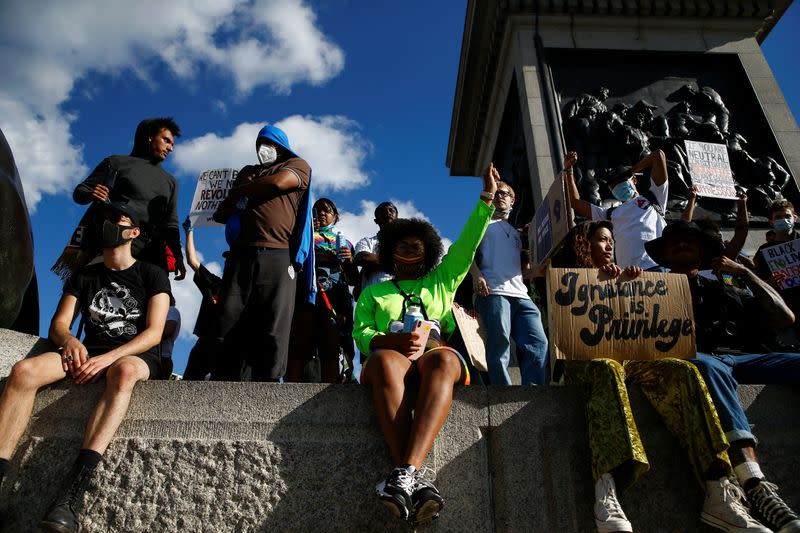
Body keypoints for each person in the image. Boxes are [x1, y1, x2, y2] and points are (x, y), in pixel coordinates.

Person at [549, 220, 766, 533]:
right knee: (607, 369)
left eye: (611, 240)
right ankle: (606, 487)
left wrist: (632, 287)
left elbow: (641, 331)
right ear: (582, 244)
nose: (609, 245)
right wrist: (596, 283)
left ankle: (718, 489)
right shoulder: (563, 277)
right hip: (586, 362)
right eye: (600, 240)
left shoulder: (630, 275)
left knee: (684, 371)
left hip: (634, 359)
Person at [0, 202, 172, 532]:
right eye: (104, 219)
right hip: (87, 351)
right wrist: (69, 342)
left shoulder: (152, 274)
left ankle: (72, 494)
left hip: (134, 355)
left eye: (116, 220)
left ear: (133, 232)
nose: (107, 224)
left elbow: (154, 332)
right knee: (24, 372)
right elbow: (60, 324)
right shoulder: (86, 275)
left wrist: (109, 359)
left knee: (123, 372)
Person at [353, 163, 497, 525]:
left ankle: (403, 475)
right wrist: (388, 340)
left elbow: (466, 246)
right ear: (389, 251)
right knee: (385, 362)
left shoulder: (442, 281)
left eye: (417, 246)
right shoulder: (374, 292)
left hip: (431, 352)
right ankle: (412, 479)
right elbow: (361, 333)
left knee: (446, 362)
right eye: (402, 245)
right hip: (391, 355)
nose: (409, 250)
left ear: (429, 251)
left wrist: (486, 200)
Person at [644, 221, 800, 532]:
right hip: (705, 362)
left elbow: (785, 317)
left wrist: (747, 274)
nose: (682, 244)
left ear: (702, 251)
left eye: (690, 240)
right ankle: (754, 481)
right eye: (674, 241)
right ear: (664, 254)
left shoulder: (727, 285)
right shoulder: (650, 293)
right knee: (710, 367)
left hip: (748, 359)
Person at [211, 125, 312, 381]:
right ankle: (225, 378)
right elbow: (221, 213)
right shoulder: (248, 171)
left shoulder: (297, 164)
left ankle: (268, 381)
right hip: (240, 255)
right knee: (228, 318)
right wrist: (243, 189)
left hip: (278, 255)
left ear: (281, 146)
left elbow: (279, 183)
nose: (263, 149)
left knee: (274, 322)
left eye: (270, 143)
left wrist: (244, 189)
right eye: (260, 144)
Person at [69, 117, 185, 280]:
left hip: (151, 254)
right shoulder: (116, 162)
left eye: (172, 144)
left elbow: (171, 224)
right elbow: (80, 192)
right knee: (92, 295)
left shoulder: (171, 182)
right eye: (166, 140)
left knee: (155, 301)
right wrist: (91, 193)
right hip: (111, 245)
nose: (170, 148)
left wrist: (178, 256)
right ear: (150, 136)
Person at [471, 180, 548, 385]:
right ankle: (501, 392)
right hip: (493, 291)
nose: (499, 196)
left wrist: (535, 272)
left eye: (504, 193)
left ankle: (534, 391)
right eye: (495, 193)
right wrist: (477, 275)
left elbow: (516, 270)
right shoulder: (481, 223)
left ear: (512, 200)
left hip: (521, 295)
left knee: (538, 342)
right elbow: (464, 252)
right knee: (500, 343)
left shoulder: (517, 233)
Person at [287, 198, 357, 383]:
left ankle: (329, 393)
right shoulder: (302, 236)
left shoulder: (345, 243)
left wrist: (349, 260)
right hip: (306, 293)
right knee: (299, 343)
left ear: (335, 217)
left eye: (327, 210)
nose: (322, 214)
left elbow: (353, 279)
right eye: (317, 210)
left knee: (331, 345)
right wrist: (307, 230)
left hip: (335, 296)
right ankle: (289, 390)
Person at [564, 150, 669, 271]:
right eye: (613, 185)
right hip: (628, 275)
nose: (617, 185)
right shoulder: (609, 214)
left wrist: (631, 170)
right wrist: (569, 170)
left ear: (633, 180)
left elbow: (658, 155)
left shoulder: (654, 197)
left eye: (621, 180)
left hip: (658, 267)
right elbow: (575, 202)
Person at [180, 216, 223, 380]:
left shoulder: (247, 291)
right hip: (206, 342)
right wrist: (189, 232)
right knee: (190, 381)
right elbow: (193, 261)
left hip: (229, 346)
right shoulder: (215, 284)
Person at [354, 201, 398, 299]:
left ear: (397, 217)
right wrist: (396, 264)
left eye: (391, 210)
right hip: (370, 298)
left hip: (396, 298)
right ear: (376, 221)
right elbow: (362, 258)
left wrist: (373, 264)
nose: (388, 212)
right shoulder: (367, 241)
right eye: (383, 211)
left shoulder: (404, 244)